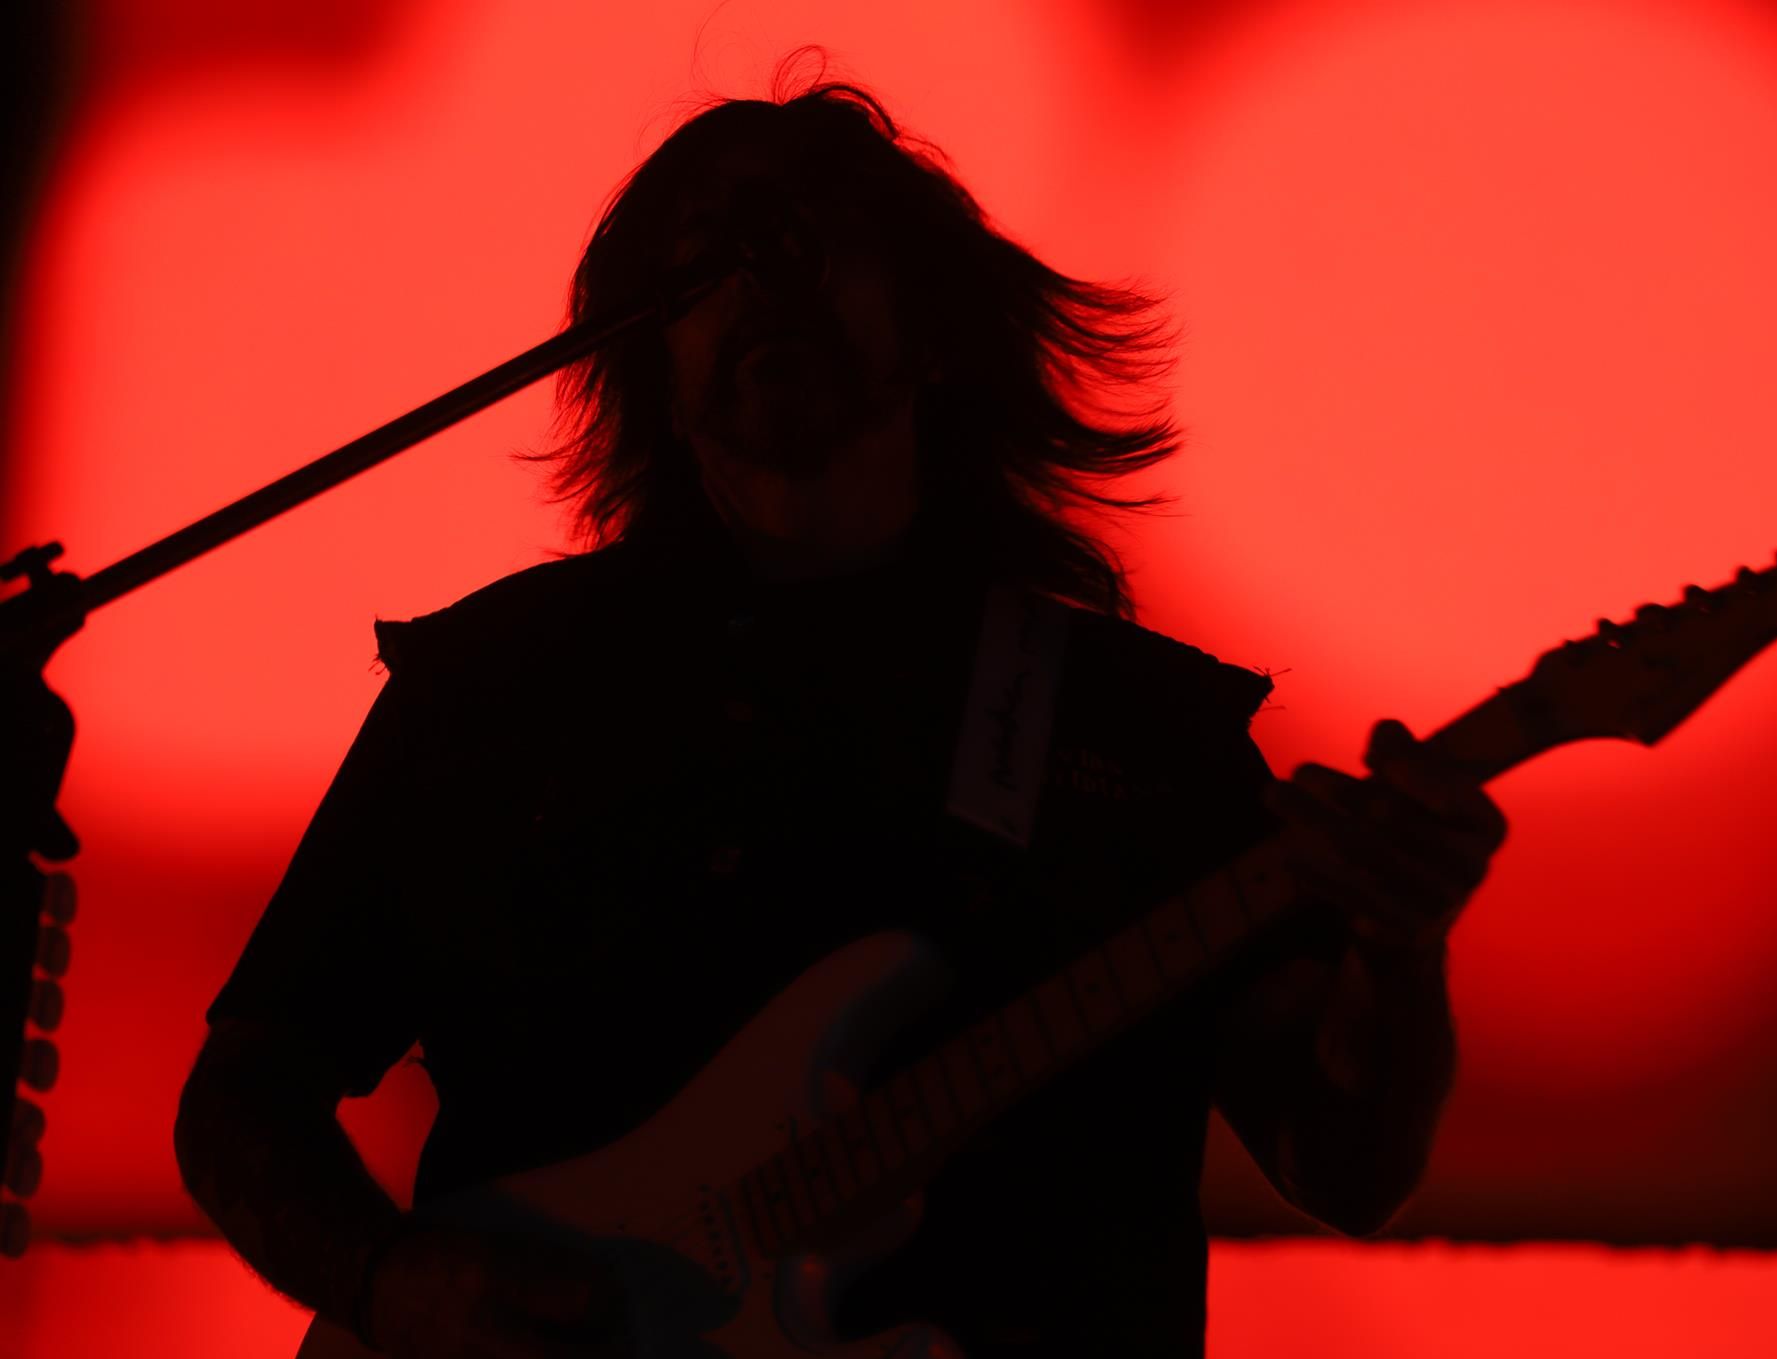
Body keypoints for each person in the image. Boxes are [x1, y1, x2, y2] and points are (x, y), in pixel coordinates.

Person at [174, 57, 1506, 1359]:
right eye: (708, 256)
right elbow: (244, 1092)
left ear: (934, 332)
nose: (769, 278)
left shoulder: (1138, 732)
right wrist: (387, 1282)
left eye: (823, 239)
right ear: (648, 358)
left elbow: (1345, 1168)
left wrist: (1399, 952)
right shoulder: (491, 691)